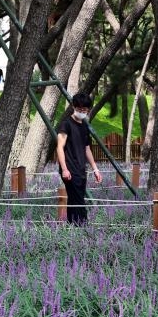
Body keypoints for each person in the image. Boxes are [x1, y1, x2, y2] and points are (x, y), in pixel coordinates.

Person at [56, 93, 103, 226]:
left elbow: (87, 149)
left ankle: (72, 227)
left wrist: (95, 169)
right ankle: (83, 227)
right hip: (70, 169)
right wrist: (64, 169)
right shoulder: (66, 124)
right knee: (78, 201)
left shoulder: (84, 126)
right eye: (79, 109)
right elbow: (59, 148)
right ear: (73, 107)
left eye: (85, 110)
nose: (82, 112)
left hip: (81, 169)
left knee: (75, 200)